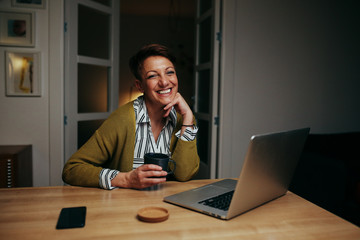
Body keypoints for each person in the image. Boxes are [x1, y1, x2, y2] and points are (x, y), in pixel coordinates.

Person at [62, 44, 200, 190]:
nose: (165, 82)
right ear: (140, 86)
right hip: (126, 206)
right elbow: (71, 169)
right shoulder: (122, 119)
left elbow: (184, 174)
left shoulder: (183, 119)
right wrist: (125, 179)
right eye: (153, 75)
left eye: (170, 72)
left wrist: (188, 117)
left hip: (168, 207)